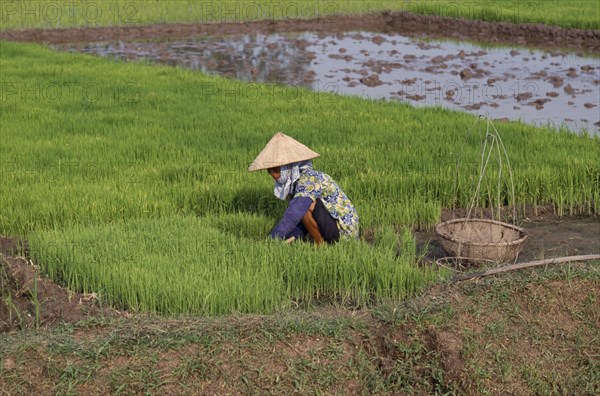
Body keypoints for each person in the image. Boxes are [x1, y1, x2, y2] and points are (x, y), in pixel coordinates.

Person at [248, 132, 359, 244]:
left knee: (303, 206)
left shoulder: (308, 180)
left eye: (276, 169)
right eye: (269, 170)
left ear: (288, 166)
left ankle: (320, 246)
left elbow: (294, 215)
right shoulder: (294, 184)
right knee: (300, 208)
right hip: (330, 224)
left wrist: (272, 240)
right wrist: (291, 237)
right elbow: (301, 221)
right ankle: (316, 241)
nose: (272, 174)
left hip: (344, 231)